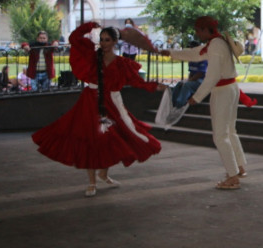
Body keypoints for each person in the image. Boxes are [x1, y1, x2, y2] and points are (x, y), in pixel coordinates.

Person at [32, 22, 167, 197]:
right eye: (101, 40)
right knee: (91, 138)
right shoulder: (92, 56)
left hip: (112, 102)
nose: (103, 43)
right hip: (91, 101)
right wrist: (89, 26)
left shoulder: (122, 63)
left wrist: (155, 86)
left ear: (115, 42)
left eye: (107, 40)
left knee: (109, 138)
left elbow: (137, 82)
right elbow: (74, 38)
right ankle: (92, 181)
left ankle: (103, 173)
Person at [160, 16, 248, 190]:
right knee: (230, 131)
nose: (197, 33)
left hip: (223, 91)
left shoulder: (215, 45)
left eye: (198, 30)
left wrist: (197, 96)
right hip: (230, 89)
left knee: (220, 135)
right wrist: (171, 53)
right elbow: (194, 53)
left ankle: (232, 177)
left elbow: (212, 76)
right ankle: (238, 167)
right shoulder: (217, 43)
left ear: (206, 30)